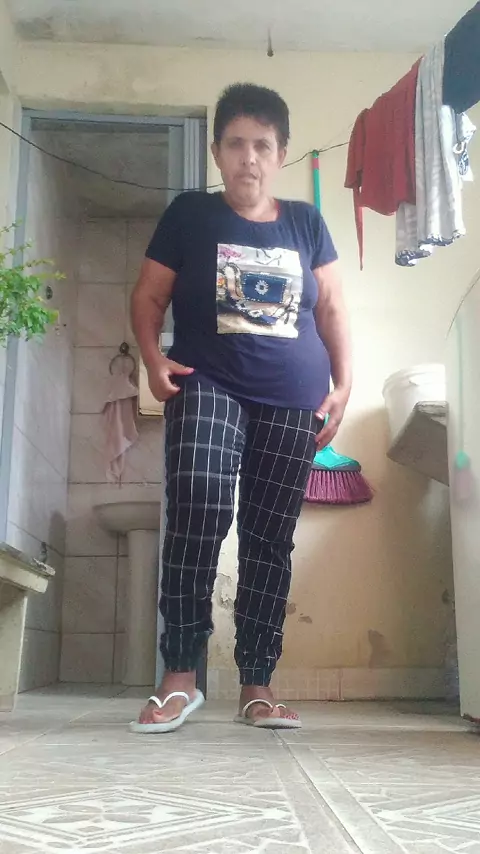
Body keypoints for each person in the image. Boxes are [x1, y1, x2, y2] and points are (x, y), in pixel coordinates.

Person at [130, 82, 351, 733]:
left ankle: (257, 683)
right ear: (217, 151)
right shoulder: (190, 214)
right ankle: (180, 675)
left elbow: (333, 308)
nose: (248, 157)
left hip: (293, 395)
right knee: (196, 504)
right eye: (235, 144)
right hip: (208, 382)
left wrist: (344, 384)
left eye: (261, 145)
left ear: (280, 154)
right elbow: (148, 297)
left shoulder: (305, 223)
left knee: (269, 538)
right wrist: (152, 358)